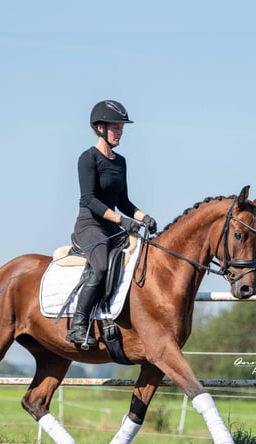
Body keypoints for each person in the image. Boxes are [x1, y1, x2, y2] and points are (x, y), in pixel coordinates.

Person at [66, 100, 157, 347]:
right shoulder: (88, 158)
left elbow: (124, 201)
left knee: (144, 257)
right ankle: (79, 325)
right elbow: (89, 199)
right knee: (102, 267)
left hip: (112, 226)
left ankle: (115, 315)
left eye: (121, 128)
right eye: (116, 128)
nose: (120, 132)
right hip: (89, 225)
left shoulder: (120, 162)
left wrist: (143, 217)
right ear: (99, 128)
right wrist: (121, 220)